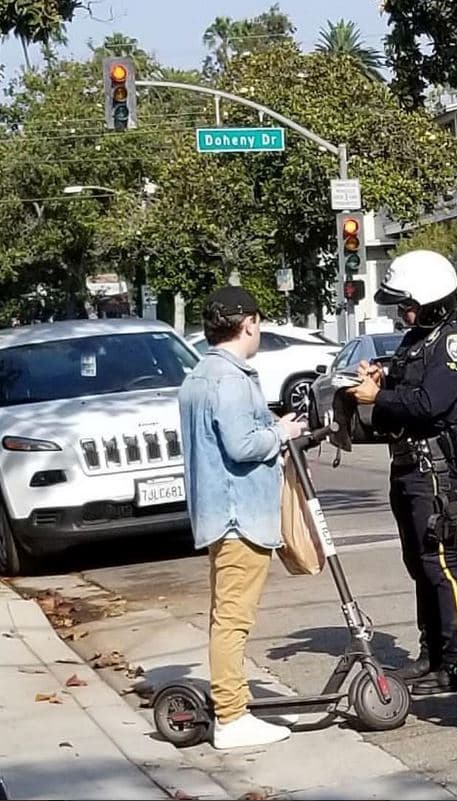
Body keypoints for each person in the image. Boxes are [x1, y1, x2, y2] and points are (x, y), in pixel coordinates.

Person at [347, 250, 457, 695]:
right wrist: (380, 380)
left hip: (435, 469)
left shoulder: (454, 342)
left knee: (441, 564)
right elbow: (405, 388)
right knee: (419, 565)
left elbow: (430, 403)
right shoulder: (417, 340)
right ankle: (432, 654)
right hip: (406, 465)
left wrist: (376, 399)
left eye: (409, 305)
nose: (404, 314)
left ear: (434, 301)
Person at [178, 285, 306, 750]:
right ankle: (232, 717)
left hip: (218, 513)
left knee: (224, 616)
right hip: (239, 516)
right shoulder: (231, 379)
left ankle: (235, 704)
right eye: (259, 324)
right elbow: (242, 445)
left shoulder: (198, 375)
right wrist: (282, 430)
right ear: (248, 323)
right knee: (233, 620)